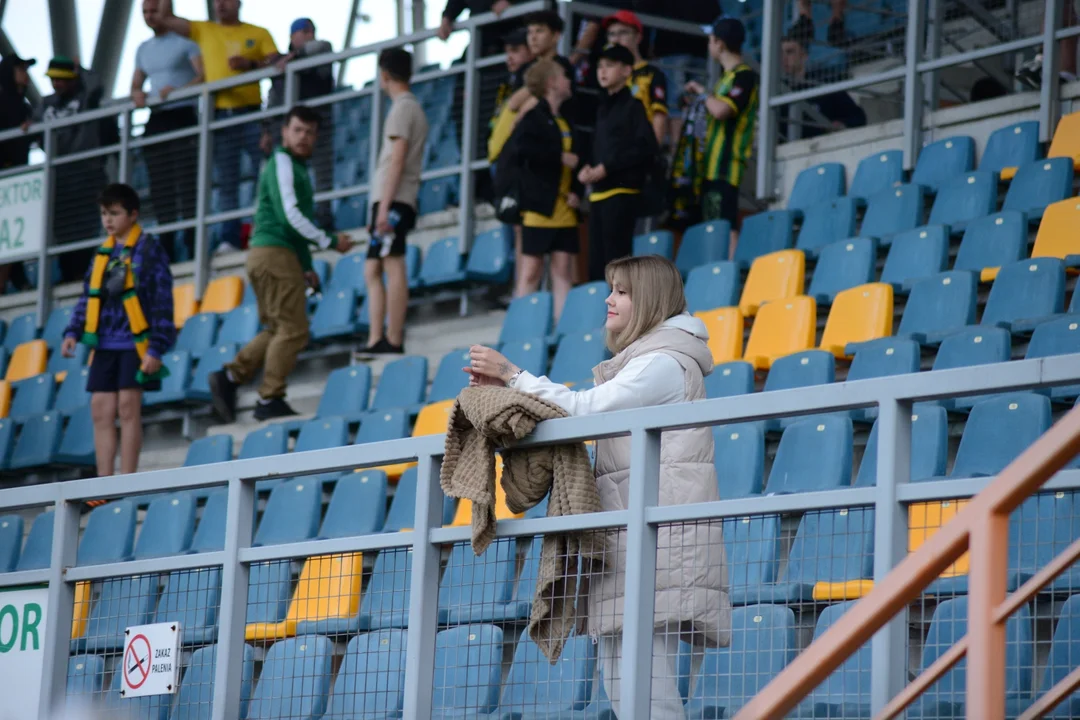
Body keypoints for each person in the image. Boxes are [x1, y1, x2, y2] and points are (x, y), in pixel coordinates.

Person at [465, 254, 730, 719]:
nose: (609, 299)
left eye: (622, 291)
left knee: (646, 690)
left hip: (658, 543)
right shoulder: (647, 361)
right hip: (632, 538)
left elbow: (586, 408)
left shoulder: (663, 363)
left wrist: (512, 375)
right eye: (611, 288)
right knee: (625, 683)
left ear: (648, 299)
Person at [208, 106, 354, 422]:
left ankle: (230, 378)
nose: (304, 137)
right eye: (298, 130)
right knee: (293, 329)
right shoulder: (284, 162)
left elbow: (292, 223)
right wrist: (330, 241)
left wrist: (305, 264)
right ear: (285, 132)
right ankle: (269, 398)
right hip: (274, 252)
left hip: (270, 253)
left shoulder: (293, 166)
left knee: (277, 327)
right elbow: (291, 218)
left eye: (310, 132)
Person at [61, 184, 175, 477]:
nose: (108, 220)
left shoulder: (150, 249)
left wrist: (156, 347)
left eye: (114, 213)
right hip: (105, 343)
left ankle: (126, 482)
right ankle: (103, 484)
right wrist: (73, 331)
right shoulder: (102, 252)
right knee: (100, 409)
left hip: (135, 343)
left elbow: (163, 300)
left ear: (133, 214)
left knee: (127, 407)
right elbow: (89, 295)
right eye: (104, 213)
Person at [153, 0, 280, 252]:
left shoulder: (258, 32)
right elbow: (165, 19)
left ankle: (271, 227)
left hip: (251, 114)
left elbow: (277, 62)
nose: (220, 4)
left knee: (266, 173)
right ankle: (230, 238)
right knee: (227, 181)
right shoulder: (204, 30)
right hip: (219, 117)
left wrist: (250, 65)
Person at [360, 48, 428, 356]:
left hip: (395, 200)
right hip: (392, 200)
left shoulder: (403, 108)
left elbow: (397, 160)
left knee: (391, 262)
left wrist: (384, 207)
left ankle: (392, 338)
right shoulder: (408, 107)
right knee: (373, 268)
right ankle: (377, 338)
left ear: (384, 74)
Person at [132, 0, 205, 261]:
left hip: (182, 115)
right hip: (158, 118)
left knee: (186, 182)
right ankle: (168, 247)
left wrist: (178, 91)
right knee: (160, 186)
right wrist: (137, 93)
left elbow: (202, 76)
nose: (150, 16)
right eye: (145, 12)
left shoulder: (186, 44)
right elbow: (136, 84)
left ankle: (191, 242)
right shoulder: (143, 49)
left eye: (154, 11)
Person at [579, 44, 658, 282]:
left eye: (610, 66)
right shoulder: (601, 109)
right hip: (598, 195)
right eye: (600, 66)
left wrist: (607, 167)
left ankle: (623, 316)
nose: (602, 71)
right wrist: (586, 168)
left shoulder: (633, 107)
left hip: (622, 191)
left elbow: (645, 147)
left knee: (618, 263)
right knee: (596, 265)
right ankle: (601, 317)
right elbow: (596, 148)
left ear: (626, 71)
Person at [684, 17, 757, 259]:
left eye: (711, 39)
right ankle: (715, 275)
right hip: (710, 166)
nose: (709, 45)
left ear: (720, 44)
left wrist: (702, 94)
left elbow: (722, 110)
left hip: (726, 164)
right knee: (712, 225)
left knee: (726, 224)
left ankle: (727, 275)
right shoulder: (725, 78)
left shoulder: (744, 76)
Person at [515, 58, 581, 320]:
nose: (569, 81)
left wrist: (577, 191)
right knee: (531, 268)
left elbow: (576, 161)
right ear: (552, 83)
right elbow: (523, 152)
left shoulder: (565, 120)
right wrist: (558, 156)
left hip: (564, 206)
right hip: (540, 205)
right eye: (564, 76)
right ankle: (522, 326)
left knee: (562, 268)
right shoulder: (532, 118)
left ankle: (561, 328)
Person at [264, 18, 335, 230]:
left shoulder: (319, 50)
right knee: (287, 174)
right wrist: (266, 129)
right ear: (292, 36)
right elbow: (273, 97)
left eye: (310, 31)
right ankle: (290, 221)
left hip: (318, 125)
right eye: (302, 32)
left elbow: (322, 47)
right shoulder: (280, 64)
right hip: (289, 131)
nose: (307, 35)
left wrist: (294, 57)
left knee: (322, 174)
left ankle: (324, 220)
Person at [777, 6, 866, 140]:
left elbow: (858, 117)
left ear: (804, 55)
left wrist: (842, 124)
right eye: (780, 54)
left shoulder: (823, 83)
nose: (784, 59)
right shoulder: (776, 91)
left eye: (790, 52)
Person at [489, 28, 534, 290]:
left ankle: (522, 291)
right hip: (505, 164)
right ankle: (518, 287)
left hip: (520, 165)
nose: (510, 57)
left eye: (516, 51)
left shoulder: (532, 80)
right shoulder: (511, 81)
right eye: (507, 52)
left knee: (522, 231)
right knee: (514, 229)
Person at [603, 9, 668, 145]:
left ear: (638, 37)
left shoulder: (652, 74)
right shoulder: (604, 74)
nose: (616, 39)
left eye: (623, 32)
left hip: (639, 152)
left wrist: (652, 153)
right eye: (611, 34)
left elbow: (659, 118)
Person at [0, 53, 36, 293]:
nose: (25, 74)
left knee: (13, 235)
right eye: (21, 69)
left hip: (17, 181)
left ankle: (18, 280)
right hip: (6, 178)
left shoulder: (24, 106)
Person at [507, 11, 577, 123]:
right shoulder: (524, 68)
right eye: (530, 32)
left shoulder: (563, 66)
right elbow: (513, 104)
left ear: (556, 36)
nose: (533, 38)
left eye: (539, 31)